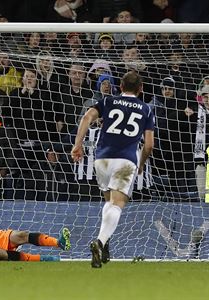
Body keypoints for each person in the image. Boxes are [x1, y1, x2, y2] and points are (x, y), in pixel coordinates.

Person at [71, 71, 154, 268]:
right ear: (140, 89)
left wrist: (77, 144)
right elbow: (149, 145)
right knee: (118, 203)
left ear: (121, 87)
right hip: (125, 161)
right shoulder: (146, 109)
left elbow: (86, 117)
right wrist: (141, 164)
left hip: (102, 159)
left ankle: (105, 242)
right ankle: (99, 242)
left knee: (108, 200)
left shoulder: (108, 101)